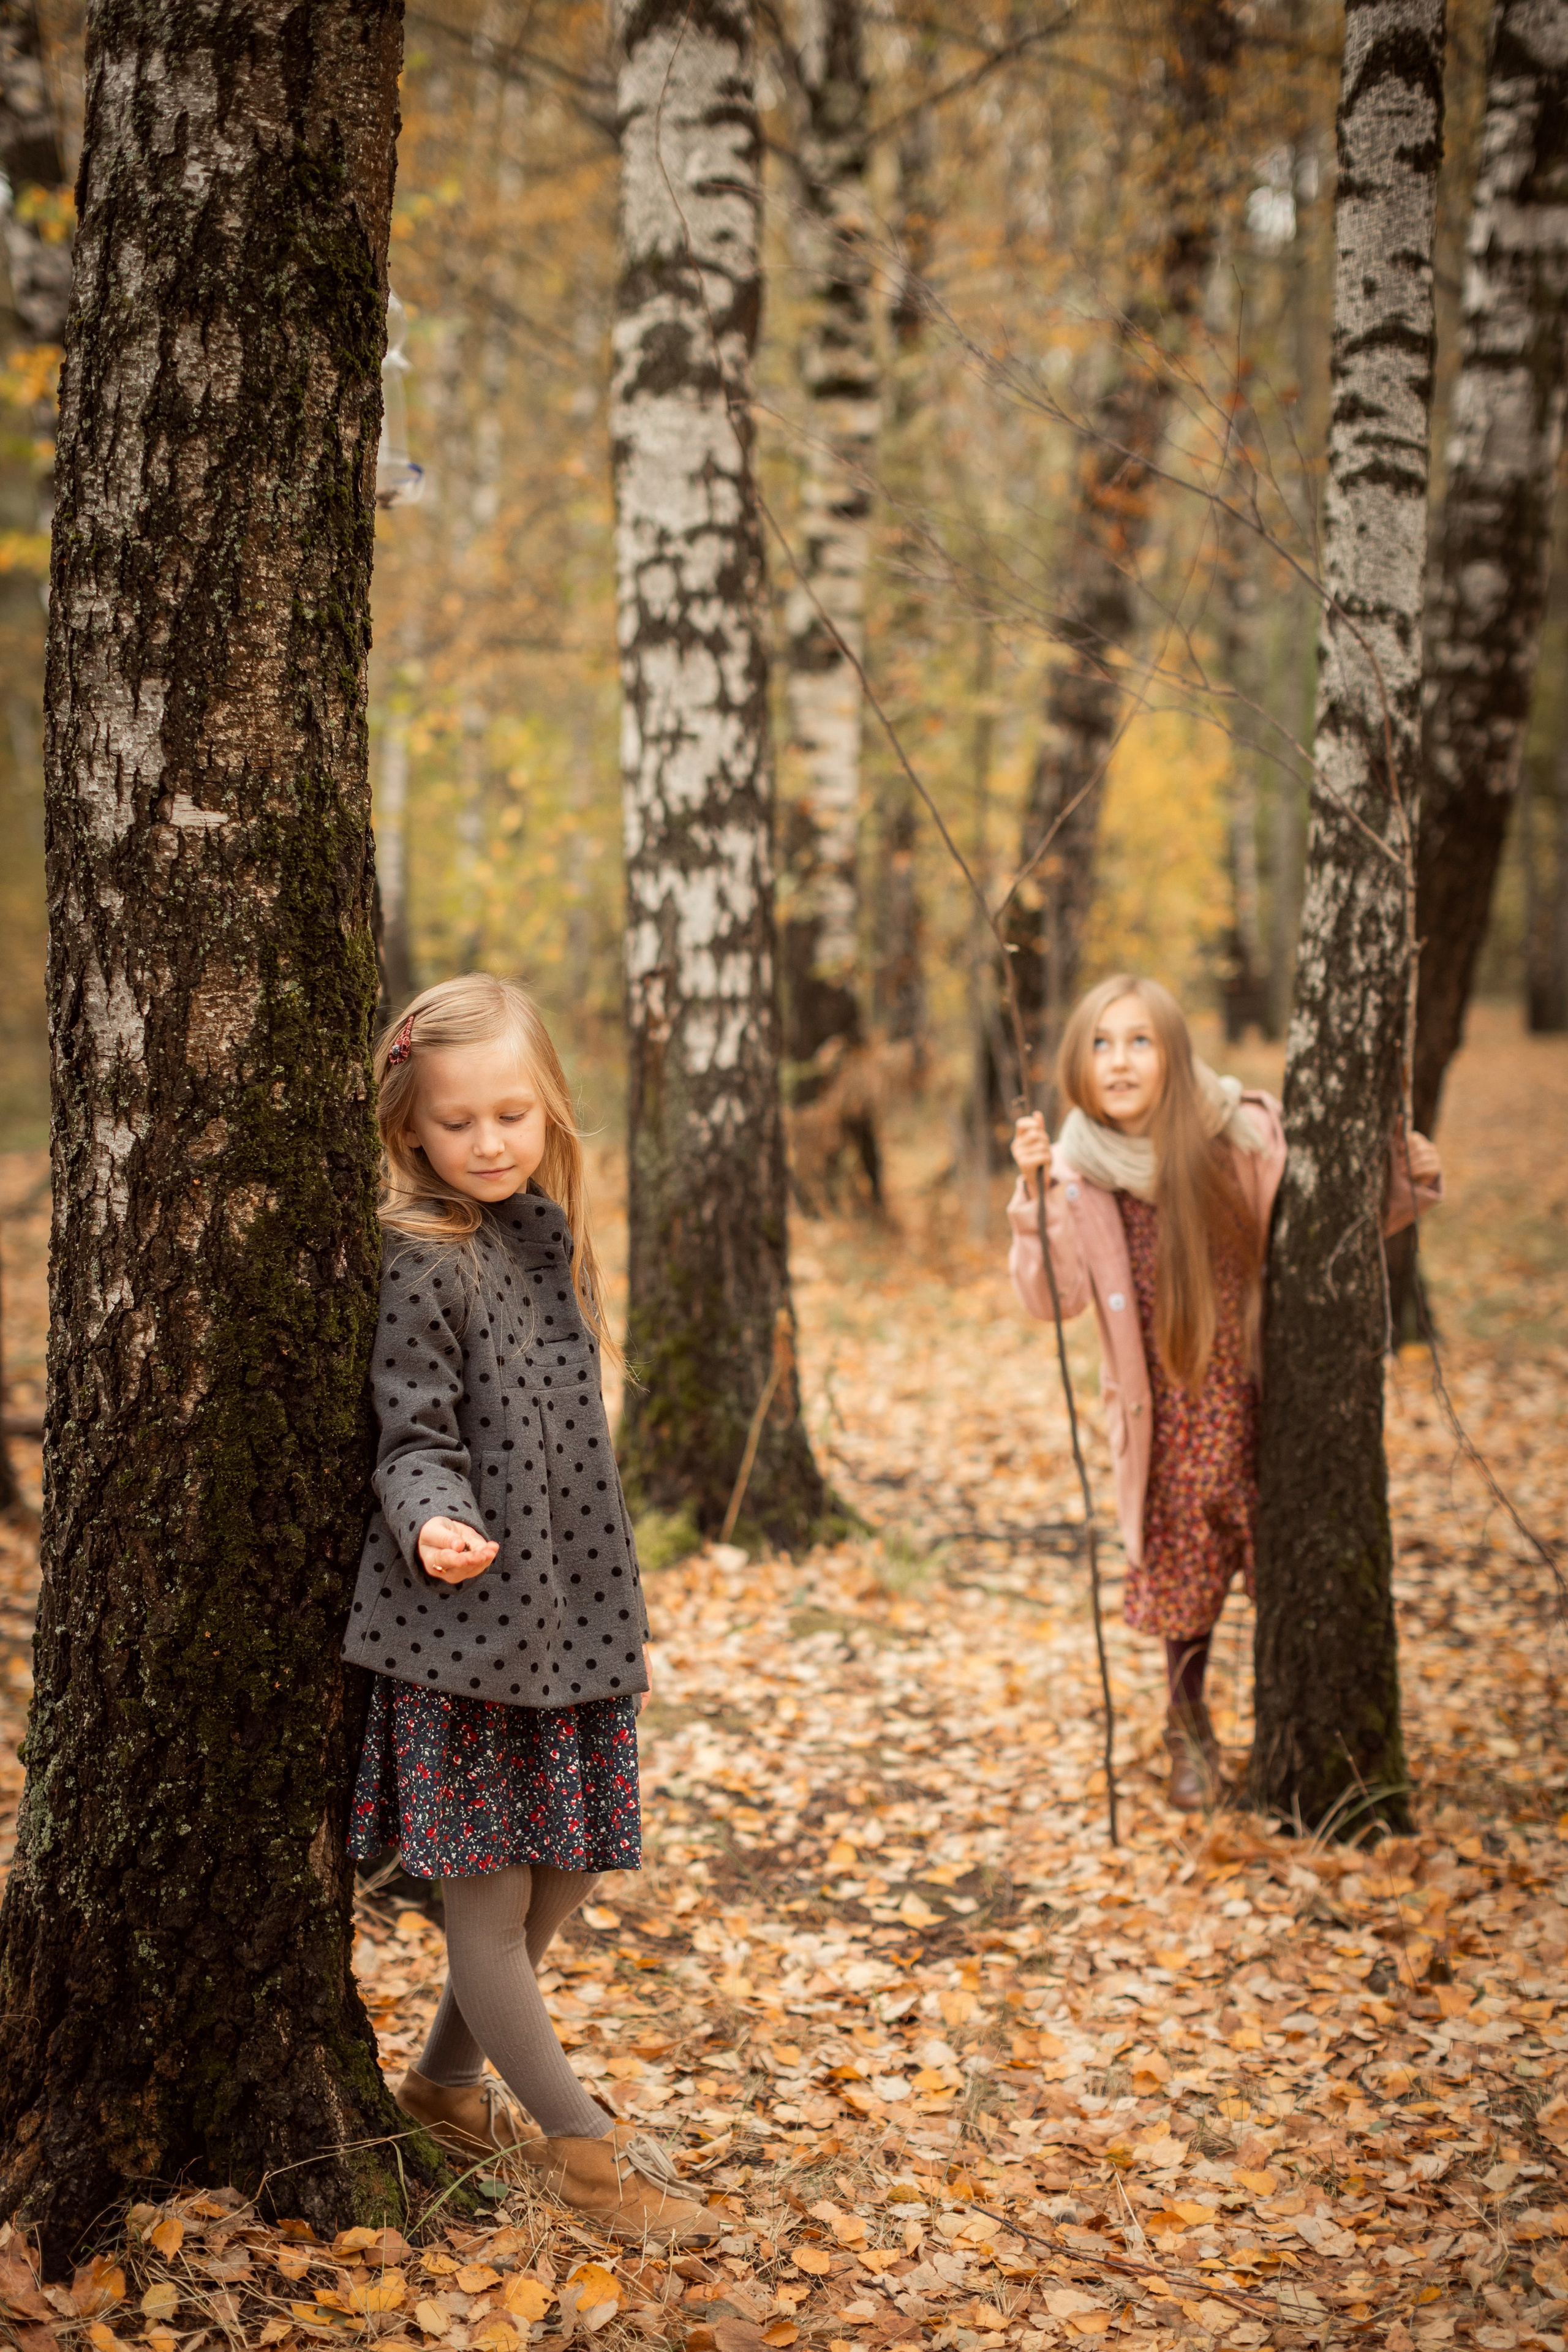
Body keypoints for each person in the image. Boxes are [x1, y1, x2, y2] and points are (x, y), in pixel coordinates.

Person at [344, 972, 717, 2247]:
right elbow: (409, 1433)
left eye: (513, 1113)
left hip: (570, 1628)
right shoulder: (423, 1259)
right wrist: (429, 1514)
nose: (490, 1141)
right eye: (459, 1123)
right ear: (409, 1130)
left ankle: (443, 2089)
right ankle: (585, 2157)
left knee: (570, 1868)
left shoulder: (544, 1236)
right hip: (459, 1640)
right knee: (490, 1907)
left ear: (550, 1110)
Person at [1007, 974, 1441, 1811]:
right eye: (1101, 1044)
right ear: (1077, 1065)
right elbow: (1049, 1298)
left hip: (1259, 1398)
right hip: (1165, 1414)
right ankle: (1187, 1721)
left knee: (1287, 1557)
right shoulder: (1072, 1172)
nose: (1120, 1061)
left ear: (1174, 1053)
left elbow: (1320, 1225)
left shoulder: (1239, 1137)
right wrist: (1032, 1200)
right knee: (1183, 1570)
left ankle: (1320, 1727)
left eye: (1140, 1041)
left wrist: (1406, 1182)